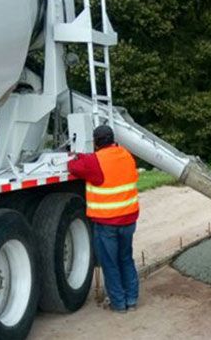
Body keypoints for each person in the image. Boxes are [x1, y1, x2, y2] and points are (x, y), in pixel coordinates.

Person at [68, 125, 140, 313]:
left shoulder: (95, 161)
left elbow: (73, 167)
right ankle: (131, 301)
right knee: (126, 259)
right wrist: (86, 157)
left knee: (110, 263)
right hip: (129, 220)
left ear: (96, 142)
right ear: (112, 139)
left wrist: (77, 156)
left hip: (107, 223)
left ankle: (118, 304)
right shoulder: (126, 155)